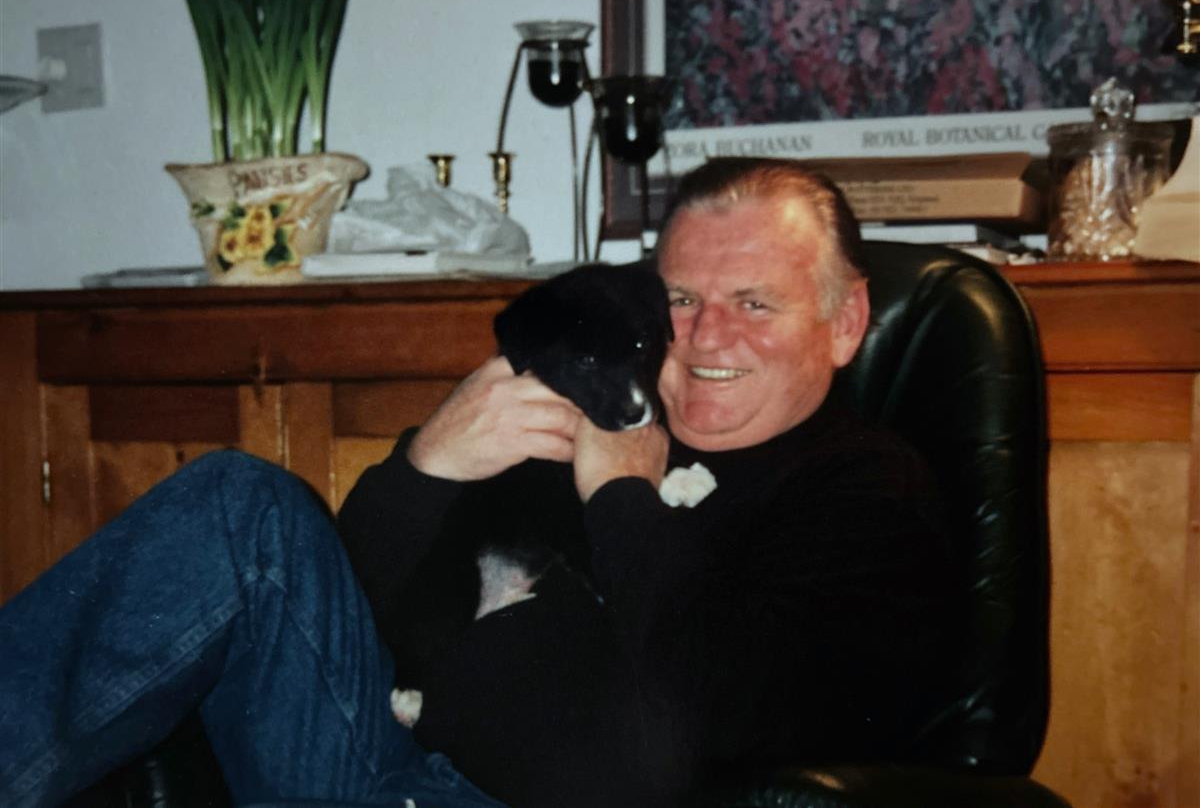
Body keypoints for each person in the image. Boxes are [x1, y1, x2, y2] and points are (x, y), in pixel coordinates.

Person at [0, 159, 957, 808]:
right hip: (381, 766)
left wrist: (622, 496)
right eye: (681, 298)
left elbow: (721, 709)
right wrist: (427, 466)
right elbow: (338, 623)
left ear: (844, 322)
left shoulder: (867, 492)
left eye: (755, 302)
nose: (708, 336)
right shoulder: (583, 423)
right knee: (238, 503)